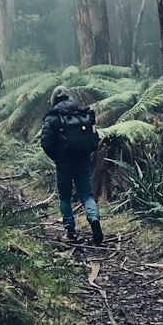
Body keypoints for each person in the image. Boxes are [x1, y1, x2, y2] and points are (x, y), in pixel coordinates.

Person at [40, 84, 104, 244]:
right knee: (86, 195)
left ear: (54, 100)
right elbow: (94, 137)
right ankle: (94, 218)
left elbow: (45, 143)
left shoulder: (52, 118)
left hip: (64, 164)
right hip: (83, 161)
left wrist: (57, 157)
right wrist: (87, 152)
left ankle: (70, 231)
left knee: (64, 198)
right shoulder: (83, 113)